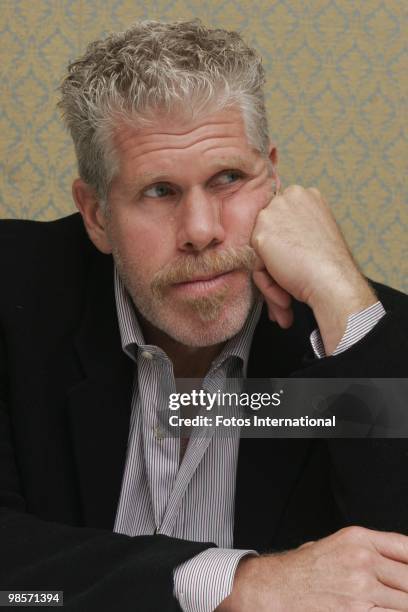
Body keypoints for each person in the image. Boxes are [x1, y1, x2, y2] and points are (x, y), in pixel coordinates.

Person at [1, 19, 408, 612]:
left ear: (271, 176)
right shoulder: (15, 296)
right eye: (159, 191)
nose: (200, 232)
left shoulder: (357, 330)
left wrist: (345, 297)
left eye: (229, 179)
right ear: (94, 213)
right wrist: (240, 584)